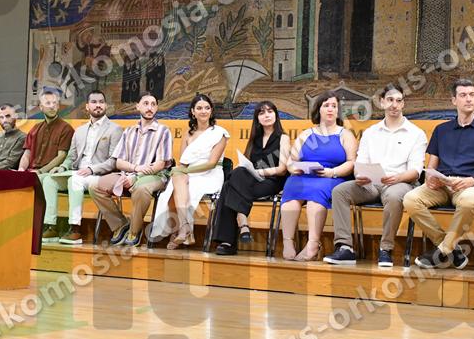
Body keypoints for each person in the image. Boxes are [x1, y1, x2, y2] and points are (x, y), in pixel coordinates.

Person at [403, 79, 474, 269]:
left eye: (472, 95)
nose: (469, 99)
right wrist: (431, 179)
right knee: (410, 199)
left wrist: (472, 181)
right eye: (463, 95)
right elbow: (431, 166)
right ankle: (452, 249)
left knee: (468, 201)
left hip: (471, 184)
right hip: (442, 185)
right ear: (454, 100)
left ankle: (441, 251)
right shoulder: (441, 130)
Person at [324, 86, 427, 267]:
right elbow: (360, 163)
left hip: (400, 183)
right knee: (340, 191)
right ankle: (345, 247)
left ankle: (385, 249)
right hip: (371, 184)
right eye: (390, 100)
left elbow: (416, 171)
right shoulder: (371, 132)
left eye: (398, 100)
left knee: (394, 196)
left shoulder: (416, 133)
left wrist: (398, 178)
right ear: (381, 102)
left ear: (403, 104)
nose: (394, 105)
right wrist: (360, 176)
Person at [279, 91, 357, 261]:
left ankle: (313, 244)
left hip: (332, 177)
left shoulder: (345, 134)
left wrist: (332, 172)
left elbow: (351, 162)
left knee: (315, 197)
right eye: (326, 105)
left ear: (338, 111)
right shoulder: (307, 134)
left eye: (334, 106)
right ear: (318, 110)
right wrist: (293, 168)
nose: (330, 109)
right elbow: (291, 160)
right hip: (304, 176)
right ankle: (288, 242)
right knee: (291, 193)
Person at [89, 93, 174, 247]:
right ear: (138, 106)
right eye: (146, 103)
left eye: (153, 104)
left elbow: (160, 164)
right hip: (128, 173)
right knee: (95, 186)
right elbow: (119, 162)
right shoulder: (129, 131)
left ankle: (135, 230)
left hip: (155, 176)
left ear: (157, 108)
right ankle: (120, 224)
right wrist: (135, 169)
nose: (150, 108)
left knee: (141, 189)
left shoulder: (163, 131)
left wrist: (136, 176)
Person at [41, 91, 123, 246]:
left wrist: (91, 169)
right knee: (49, 180)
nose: (98, 105)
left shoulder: (115, 129)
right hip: (78, 172)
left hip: (99, 175)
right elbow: (71, 156)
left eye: (101, 102)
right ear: (87, 106)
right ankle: (51, 226)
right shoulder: (80, 130)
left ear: (106, 105)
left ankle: (75, 229)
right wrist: (62, 167)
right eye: (94, 102)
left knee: (75, 180)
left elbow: (113, 162)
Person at [149, 94, 229, 249]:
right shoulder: (188, 133)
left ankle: (181, 230)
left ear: (211, 111)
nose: (203, 111)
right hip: (188, 173)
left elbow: (211, 164)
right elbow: (183, 162)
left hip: (210, 174)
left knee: (180, 184)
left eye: (207, 108)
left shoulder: (220, 133)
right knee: (175, 182)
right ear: (193, 111)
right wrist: (181, 171)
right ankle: (185, 228)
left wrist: (184, 171)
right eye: (199, 108)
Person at [211, 101, 290, 255]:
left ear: (276, 115)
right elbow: (247, 164)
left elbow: (282, 169)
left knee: (230, 186)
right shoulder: (255, 138)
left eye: (270, 111)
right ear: (257, 118)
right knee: (233, 180)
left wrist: (259, 172)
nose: (266, 115)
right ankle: (241, 227)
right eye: (262, 112)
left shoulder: (283, 138)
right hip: (251, 182)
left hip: (272, 181)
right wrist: (249, 170)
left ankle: (232, 236)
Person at [18, 90, 74, 174]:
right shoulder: (35, 129)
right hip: (30, 171)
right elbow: (26, 154)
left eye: (54, 103)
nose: (52, 106)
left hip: (50, 173)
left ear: (58, 106)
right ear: (41, 107)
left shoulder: (66, 128)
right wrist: (21, 169)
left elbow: (62, 156)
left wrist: (40, 171)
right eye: (48, 103)